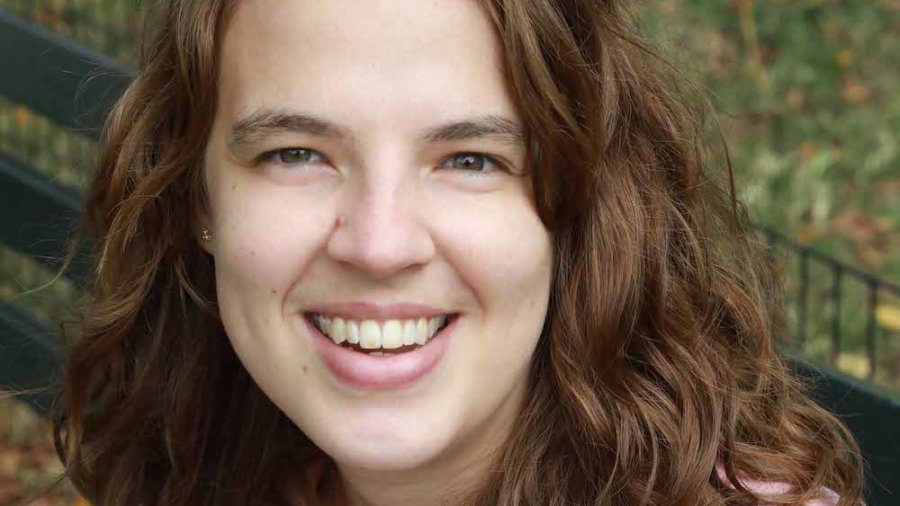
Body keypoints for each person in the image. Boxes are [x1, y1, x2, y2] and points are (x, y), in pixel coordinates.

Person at [52, 0, 864, 504]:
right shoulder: (188, 464)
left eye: (470, 160)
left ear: (579, 205)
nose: (378, 243)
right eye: (295, 153)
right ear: (196, 198)